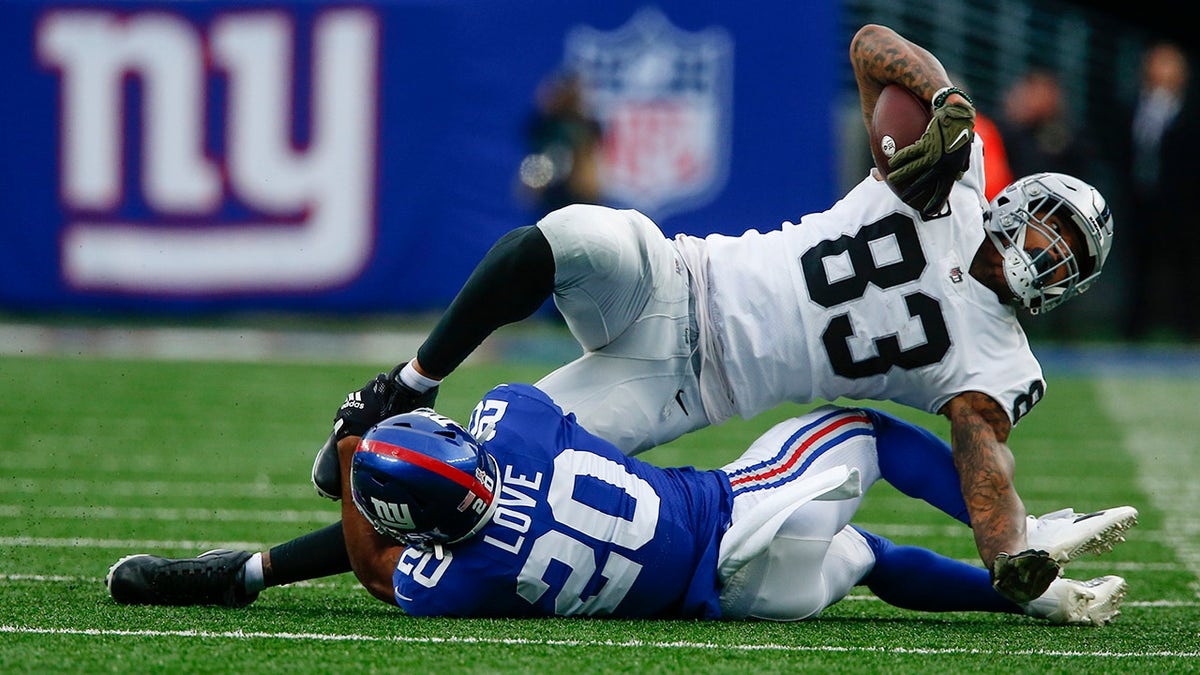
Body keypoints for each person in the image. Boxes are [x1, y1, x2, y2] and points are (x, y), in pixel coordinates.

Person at [304, 23, 1116, 605]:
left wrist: (1013, 539)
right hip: (677, 276)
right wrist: (940, 93)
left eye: (1070, 257)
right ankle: (414, 382)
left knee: (478, 485)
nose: (1050, 255)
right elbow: (870, 44)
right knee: (562, 234)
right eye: (1052, 231)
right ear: (1016, 204)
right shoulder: (958, 172)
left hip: (686, 389)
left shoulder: (1000, 363)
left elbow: (979, 460)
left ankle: (265, 559)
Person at [107, 384, 1134, 625]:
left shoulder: (463, 579)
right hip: (729, 511)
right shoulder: (510, 420)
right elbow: (491, 440)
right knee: (856, 433)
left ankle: (1023, 592)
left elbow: (379, 565)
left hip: (725, 601)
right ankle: (1017, 539)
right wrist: (367, 440)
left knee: (861, 560)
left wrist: (349, 469)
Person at [1121, 41, 1200, 341]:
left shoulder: (1191, 110)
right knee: (1138, 264)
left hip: (1183, 203)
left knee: (1185, 266)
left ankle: (1189, 327)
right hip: (1141, 198)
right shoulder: (1132, 106)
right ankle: (1135, 328)